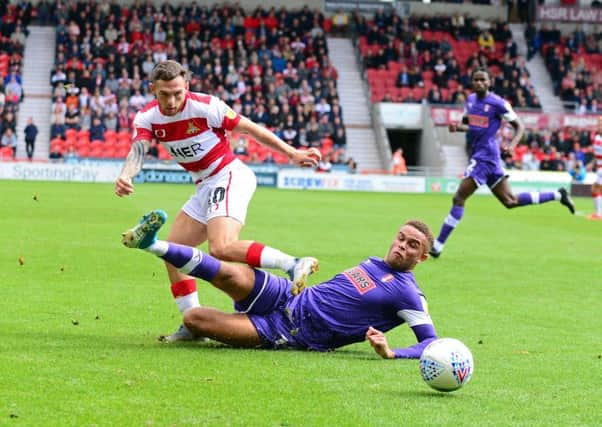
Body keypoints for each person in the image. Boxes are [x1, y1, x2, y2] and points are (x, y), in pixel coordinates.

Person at [115, 60, 321, 341]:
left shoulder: (206, 106)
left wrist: (292, 153)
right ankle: (192, 322)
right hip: (204, 185)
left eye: (178, 92)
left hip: (229, 175)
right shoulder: (147, 118)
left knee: (221, 247)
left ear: (186, 86)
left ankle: (292, 263)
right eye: (165, 94)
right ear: (153, 89)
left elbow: (250, 129)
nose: (173, 100)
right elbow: (138, 147)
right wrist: (127, 174)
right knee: (174, 253)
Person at [122, 210, 438, 358]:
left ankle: (154, 248)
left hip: (289, 332)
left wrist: (393, 352)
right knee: (233, 273)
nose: (402, 246)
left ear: (422, 257)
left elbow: (430, 344)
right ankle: (150, 243)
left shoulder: (408, 293)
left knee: (194, 319)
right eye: (401, 238)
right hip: (290, 294)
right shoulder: (372, 262)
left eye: (413, 245)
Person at [430, 68, 575, 258]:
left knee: (459, 198)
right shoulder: (471, 101)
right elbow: (470, 125)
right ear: (472, 82)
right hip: (489, 157)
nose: (479, 83)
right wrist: (458, 127)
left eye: (483, 80)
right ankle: (558, 195)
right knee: (510, 201)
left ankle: (438, 245)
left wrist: (513, 145)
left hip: (485, 157)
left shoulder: (498, 103)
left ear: (490, 82)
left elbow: (519, 126)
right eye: (476, 79)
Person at [588, 119, 602, 220]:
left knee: (595, 188)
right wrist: (592, 163)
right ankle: (598, 213)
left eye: (600, 123)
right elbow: (596, 154)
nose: (598, 125)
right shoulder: (596, 137)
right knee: (597, 189)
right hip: (599, 167)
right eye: (598, 123)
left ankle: (598, 214)